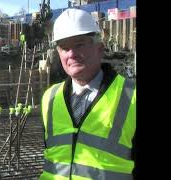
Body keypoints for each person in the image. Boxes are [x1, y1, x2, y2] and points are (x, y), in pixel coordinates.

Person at [39, 9, 136, 179]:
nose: (71, 54)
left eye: (80, 44)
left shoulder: (131, 96)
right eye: (64, 47)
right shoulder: (50, 98)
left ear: (99, 48)